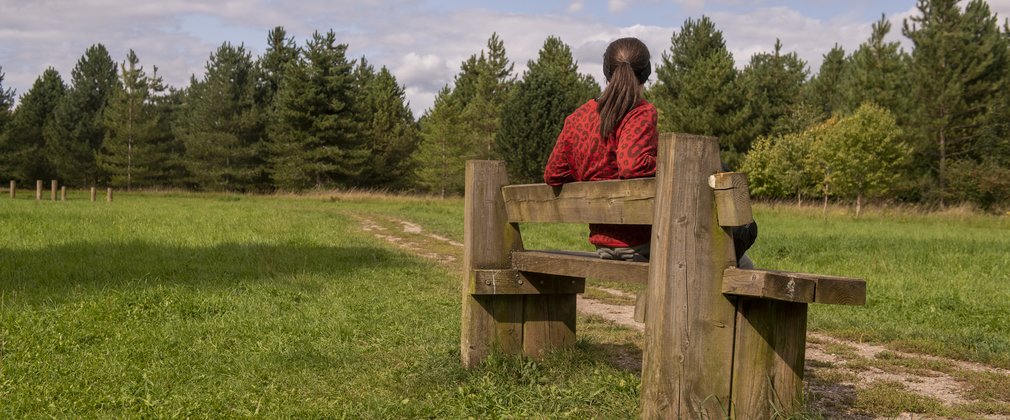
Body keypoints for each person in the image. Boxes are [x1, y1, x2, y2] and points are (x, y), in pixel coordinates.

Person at [543, 37, 757, 267]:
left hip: (604, 243)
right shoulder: (639, 112)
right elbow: (631, 165)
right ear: (646, 73)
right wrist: (675, 162)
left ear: (606, 71)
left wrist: (591, 169)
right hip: (645, 242)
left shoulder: (578, 118)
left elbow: (553, 174)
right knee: (744, 258)